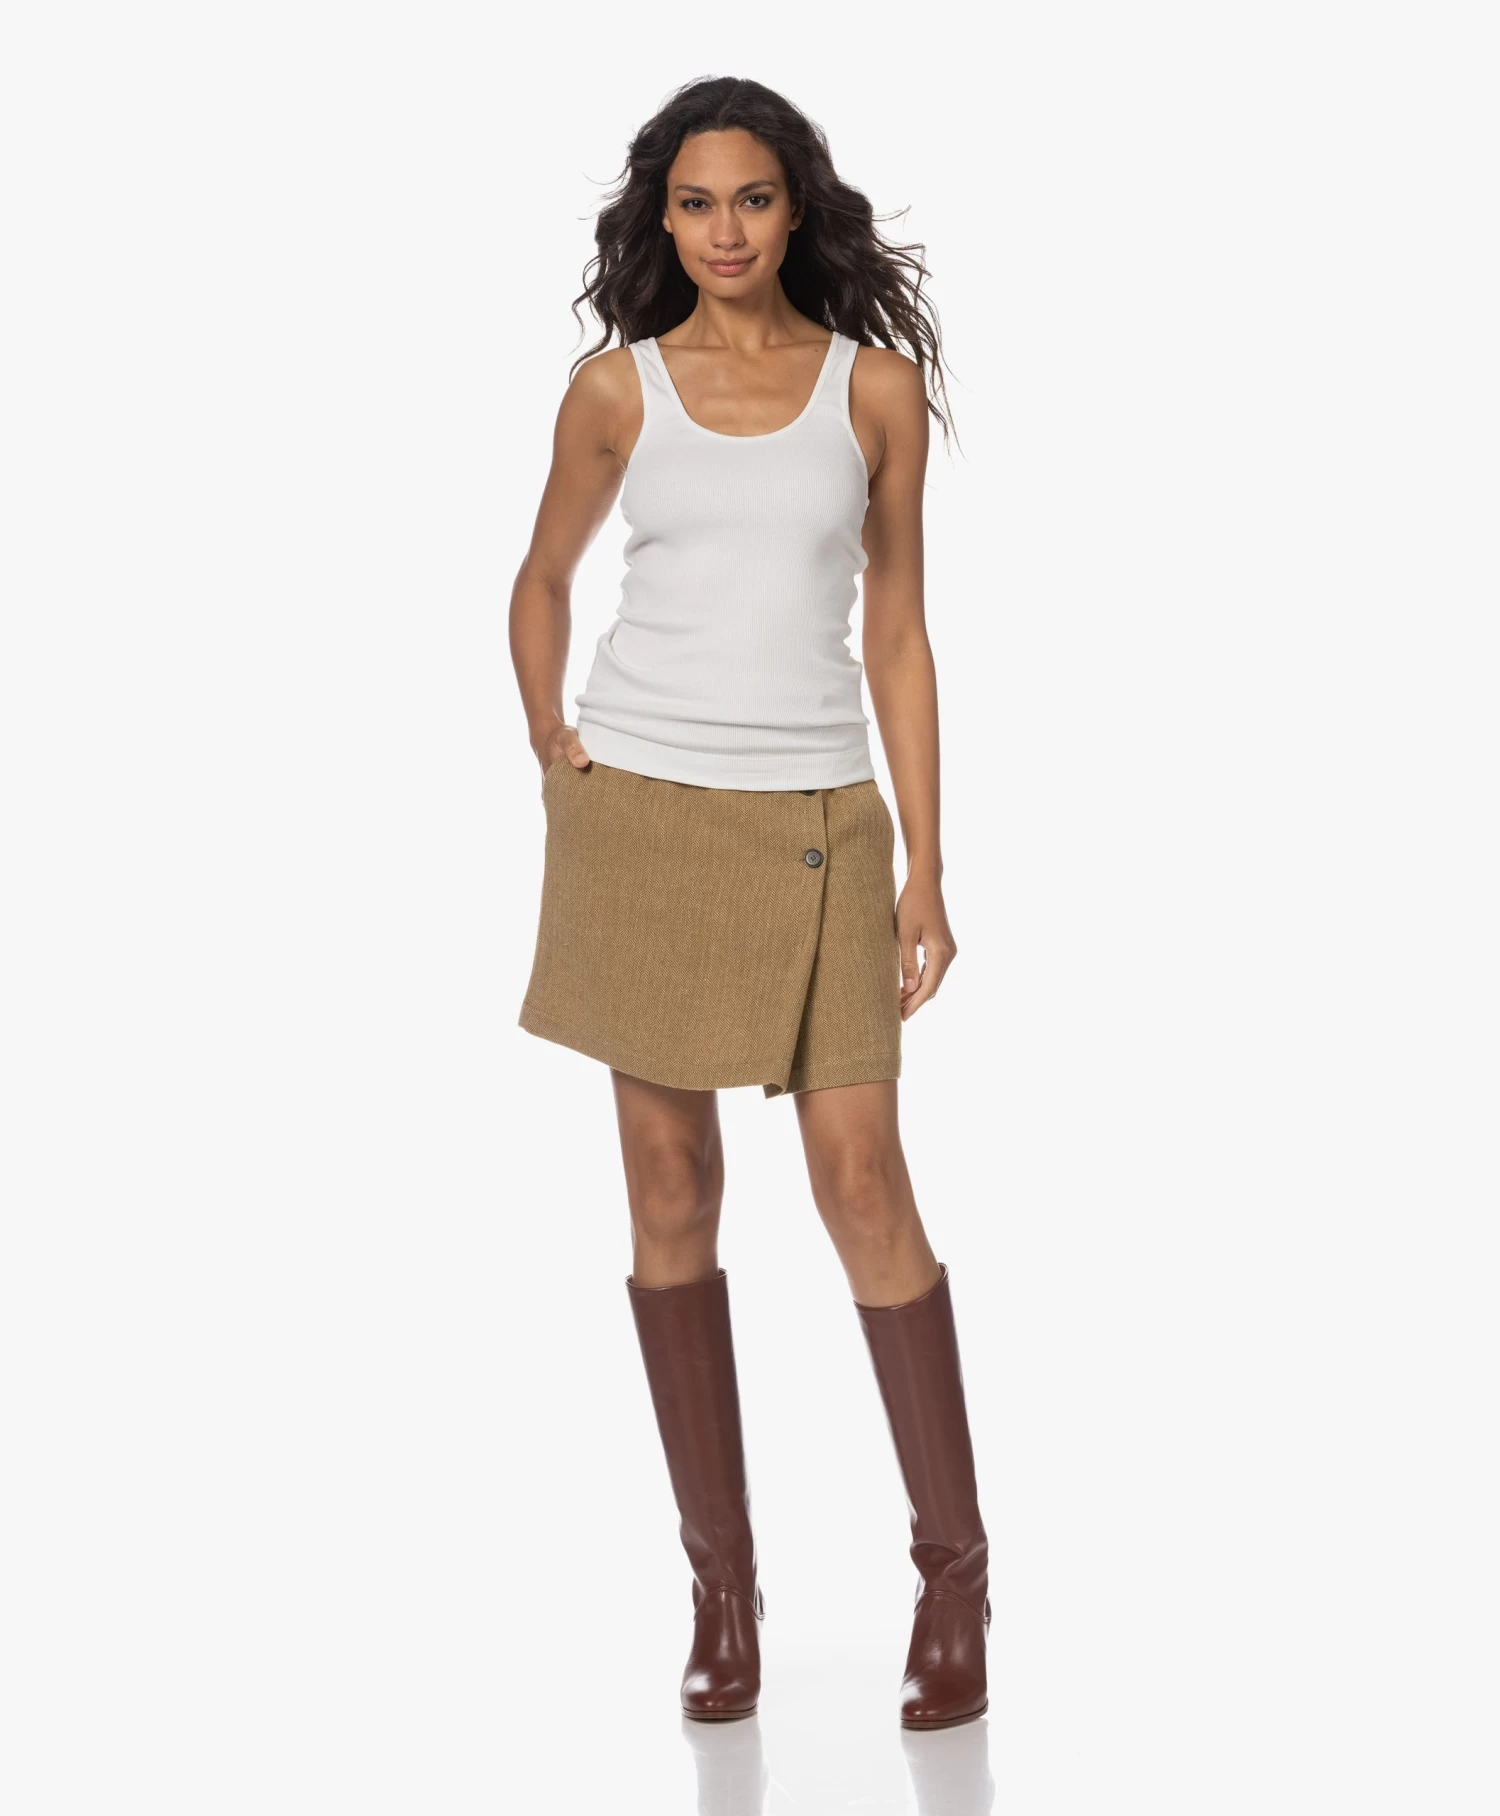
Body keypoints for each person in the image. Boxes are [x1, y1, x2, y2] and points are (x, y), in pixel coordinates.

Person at [510, 76, 990, 1730]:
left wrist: (928, 861)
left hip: (820, 821)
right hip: (640, 816)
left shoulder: (874, 392)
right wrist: (550, 735)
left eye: (755, 199)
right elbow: (542, 575)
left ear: (798, 209)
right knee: (670, 1188)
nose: (726, 231)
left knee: (862, 1181)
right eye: (698, 203)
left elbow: (899, 632)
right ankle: (722, 1592)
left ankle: (954, 1578)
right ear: (664, 217)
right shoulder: (613, 390)